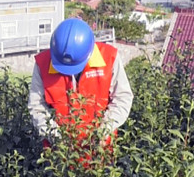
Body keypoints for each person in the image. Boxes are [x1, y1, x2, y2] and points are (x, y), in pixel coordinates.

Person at [28, 18, 133, 147]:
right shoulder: (42, 64)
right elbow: (36, 105)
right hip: (58, 155)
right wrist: (55, 136)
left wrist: (105, 129)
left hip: (101, 151)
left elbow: (123, 97)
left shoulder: (109, 58)